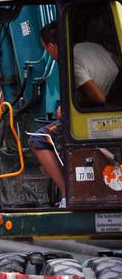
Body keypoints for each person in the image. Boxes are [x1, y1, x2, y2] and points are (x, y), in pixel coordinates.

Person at [29, 22, 120, 208]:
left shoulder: (71, 62)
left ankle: (66, 195)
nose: (48, 53)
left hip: (97, 119)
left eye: (45, 48)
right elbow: (117, 61)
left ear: (52, 46)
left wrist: (70, 106)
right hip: (112, 111)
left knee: (38, 139)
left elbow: (98, 97)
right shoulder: (90, 46)